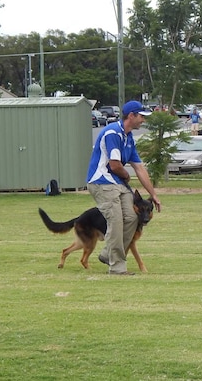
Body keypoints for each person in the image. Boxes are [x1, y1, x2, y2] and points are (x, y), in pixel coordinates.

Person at [87, 100, 162, 275]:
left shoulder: (128, 138)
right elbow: (114, 165)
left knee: (132, 217)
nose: (143, 120)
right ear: (131, 116)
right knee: (115, 220)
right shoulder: (113, 133)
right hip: (102, 182)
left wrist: (153, 195)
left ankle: (108, 254)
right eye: (141, 116)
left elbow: (139, 168)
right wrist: (126, 176)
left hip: (117, 183)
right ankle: (117, 267)